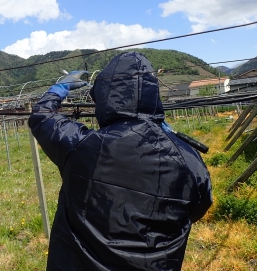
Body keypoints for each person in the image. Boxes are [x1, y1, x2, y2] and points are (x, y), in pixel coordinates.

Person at [28, 51, 212, 271]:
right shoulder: (188, 159)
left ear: (105, 96)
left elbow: (42, 116)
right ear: (153, 94)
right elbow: (199, 207)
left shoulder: (79, 145)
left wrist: (60, 88)